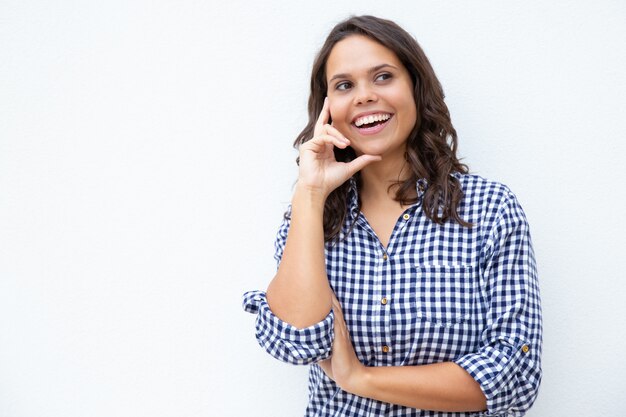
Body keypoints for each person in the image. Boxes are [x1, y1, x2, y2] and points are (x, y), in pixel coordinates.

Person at [242, 15, 542, 417]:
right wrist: (311, 194)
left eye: (383, 77)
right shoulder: (308, 220)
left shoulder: (489, 210)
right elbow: (295, 343)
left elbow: (514, 376)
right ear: (327, 110)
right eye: (345, 85)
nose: (364, 96)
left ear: (416, 89)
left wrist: (360, 379)